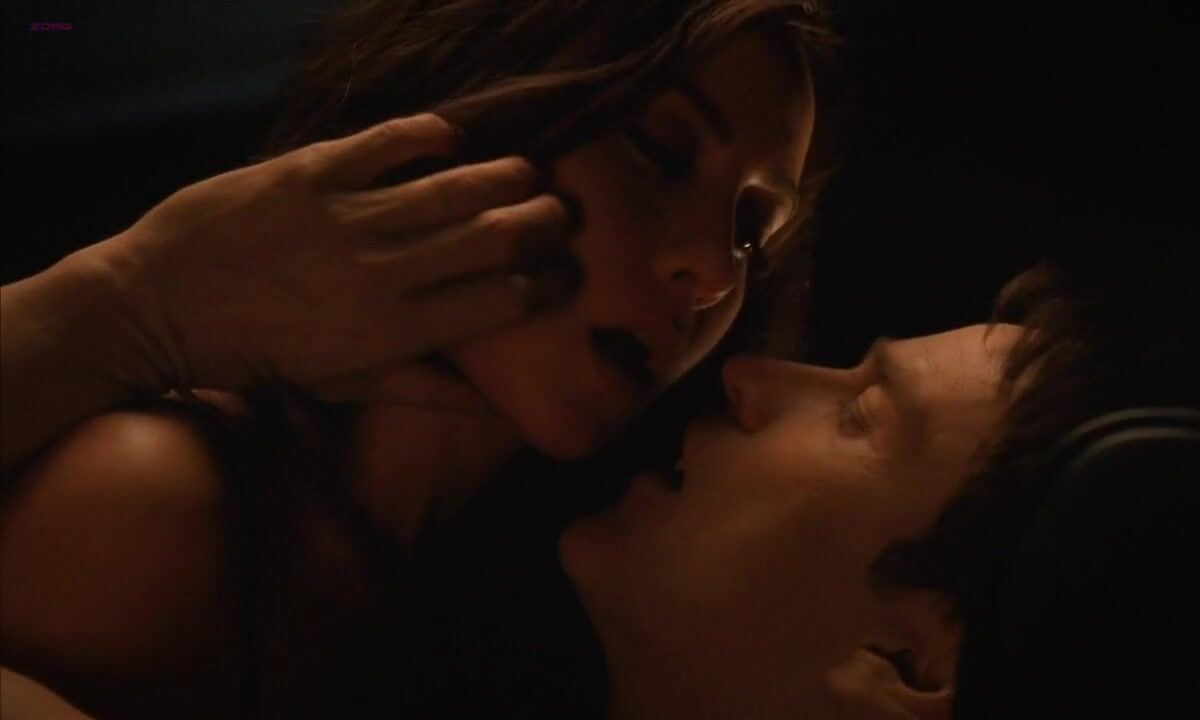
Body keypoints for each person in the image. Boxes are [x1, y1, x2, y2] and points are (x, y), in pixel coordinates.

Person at [1, 1, 834, 716]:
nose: (714, 273)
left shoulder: (564, 589)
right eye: (660, 151)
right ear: (471, 104)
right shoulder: (155, 509)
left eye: (750, 232)